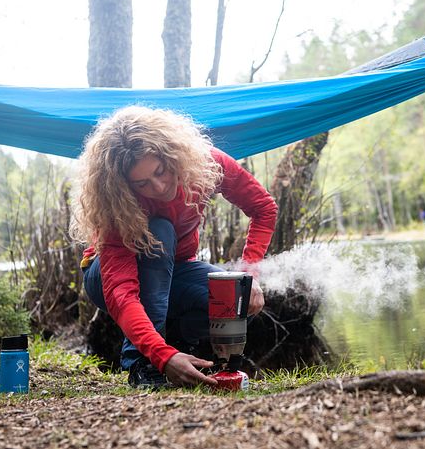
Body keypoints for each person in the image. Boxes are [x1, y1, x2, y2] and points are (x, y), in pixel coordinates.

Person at [71, 106, 278, 388]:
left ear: (172, 154)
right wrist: (160, 357)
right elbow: (122, 293)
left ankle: (180, 348)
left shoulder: (207, 164)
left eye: (161, 171)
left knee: (234, 301)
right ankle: (143, 364)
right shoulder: (117, 207)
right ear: (125, 186)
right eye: (142, 183)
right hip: (106, 279)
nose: (158, 187)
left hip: (174, 272)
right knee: (159, 231)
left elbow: (263, 208)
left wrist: (249, 275)